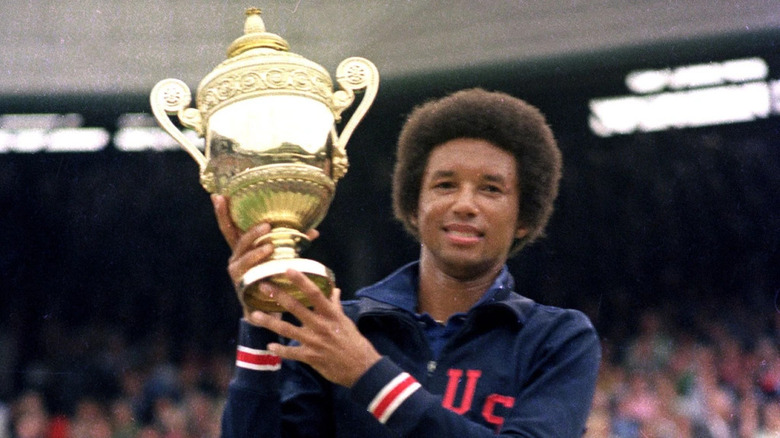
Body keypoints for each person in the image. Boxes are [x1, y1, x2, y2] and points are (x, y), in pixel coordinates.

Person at [214, 88, 601, 437]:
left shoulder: (559, 339)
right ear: (414, 207)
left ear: (525, 218)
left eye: (491, 189)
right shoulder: (336, 331)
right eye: (445, 185)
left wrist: (368, 374)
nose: (464, 204)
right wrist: (261, 325)